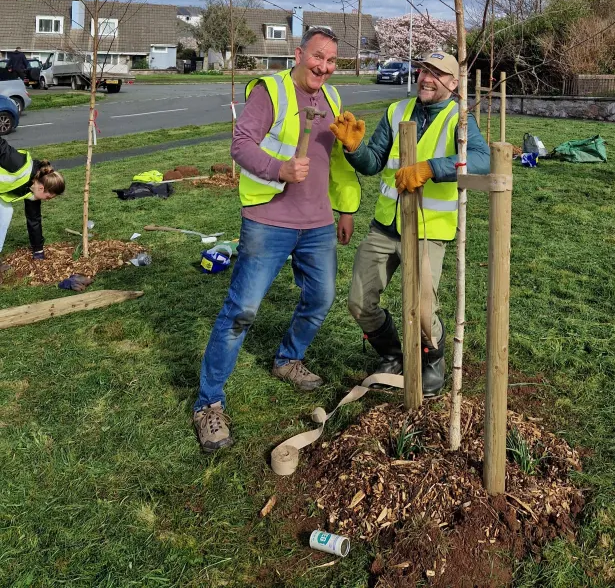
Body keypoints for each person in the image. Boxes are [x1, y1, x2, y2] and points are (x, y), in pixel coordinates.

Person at [193, 26, 361, 453]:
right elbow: (240, 143)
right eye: (318, 57)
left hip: (318, 223)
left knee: (320, 298)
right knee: (243, 309)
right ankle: (208, 403)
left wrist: (346, 207)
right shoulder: (270, 91)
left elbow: (337, 161)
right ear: (298, 53)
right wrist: (278, 169)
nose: (324, 66)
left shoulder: (333, 98)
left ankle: (288, 358)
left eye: (331, 61)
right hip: (269, 220)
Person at [331, 51, 490, 398]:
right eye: (423, 71)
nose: (425, 78)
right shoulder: (397, 111)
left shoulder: (459, 118)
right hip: (386, 226)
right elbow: (373, 162)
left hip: (428, 229)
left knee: (422, 309)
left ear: (453, 82)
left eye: (436, 73)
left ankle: (431, 358)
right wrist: (354, 148)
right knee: (359, 302)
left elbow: (482, 158)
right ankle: (391, 354)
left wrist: (432, 168)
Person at [0, 136, 65, 260]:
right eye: (48, 197)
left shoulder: (32, 190)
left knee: (6, 212)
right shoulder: (18, 164)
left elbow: (34, 219)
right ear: (42, 188)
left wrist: (38, 249)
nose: (47, 200)